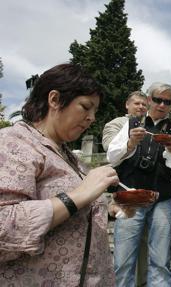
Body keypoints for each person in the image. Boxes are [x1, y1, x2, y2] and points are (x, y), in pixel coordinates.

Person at [0, 63, 120, 285]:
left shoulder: (71, 159)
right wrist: (79, 194)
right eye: (85, 107)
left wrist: (110, 210)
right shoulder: (13, 143)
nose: (92, 118)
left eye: (95, 111)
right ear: (54, 100)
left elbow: (72, 214)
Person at [107, 82, 171, 287]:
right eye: (158, 99)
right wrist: (131, 143)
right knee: (123, 259)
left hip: (163, 197)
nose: (162, 105)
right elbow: (112, 157)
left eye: (167, 101)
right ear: (149, 100)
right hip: (131, 195)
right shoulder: (133, 123)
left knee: (160, 260)